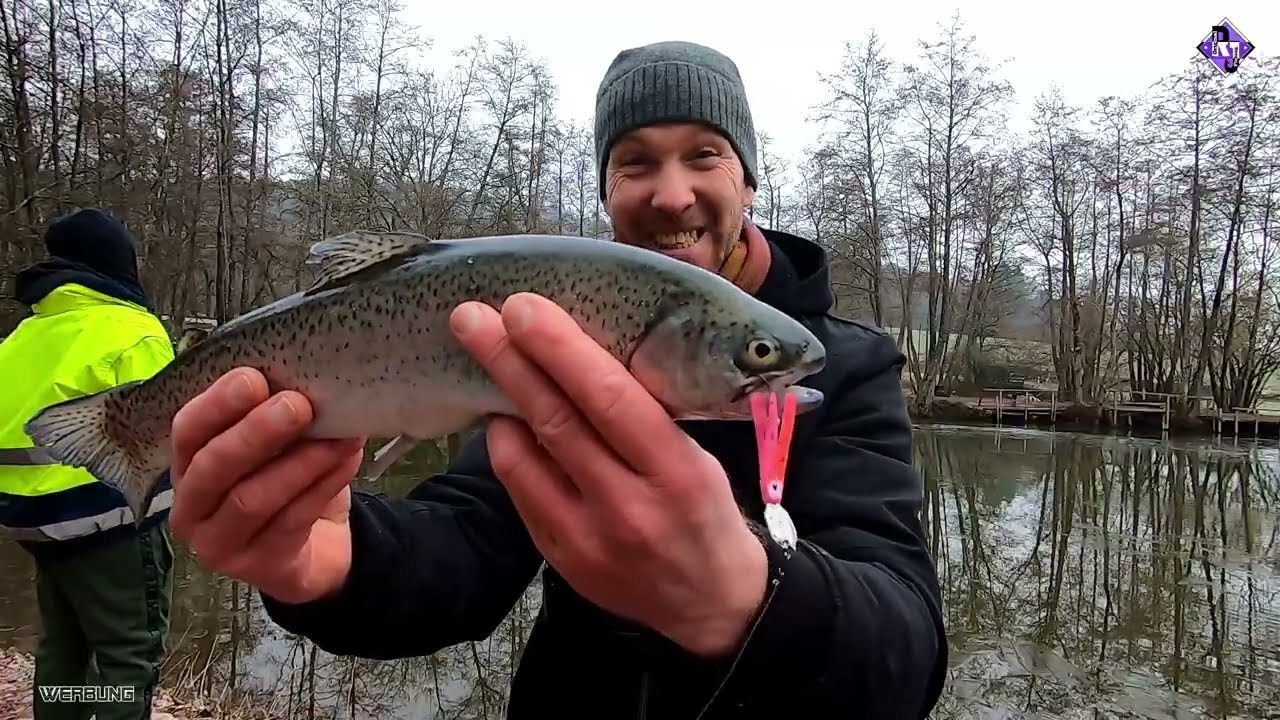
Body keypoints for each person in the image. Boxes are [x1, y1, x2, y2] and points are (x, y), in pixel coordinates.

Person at [166, 40, 948, 718]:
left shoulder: (846, 367)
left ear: (749, 182)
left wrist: (747, 596)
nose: (670, 193)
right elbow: (468, 542)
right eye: (634, 161)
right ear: (607, 192)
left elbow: (905, 656)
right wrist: (335, 564)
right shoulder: (560, 331)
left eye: (704, 155)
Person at [0, 208, 176, 720]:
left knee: (62, 648)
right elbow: (170, 428)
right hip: (110, 518)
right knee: (129, 659)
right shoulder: (134, 331)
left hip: (31, 523)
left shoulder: (24, 336)